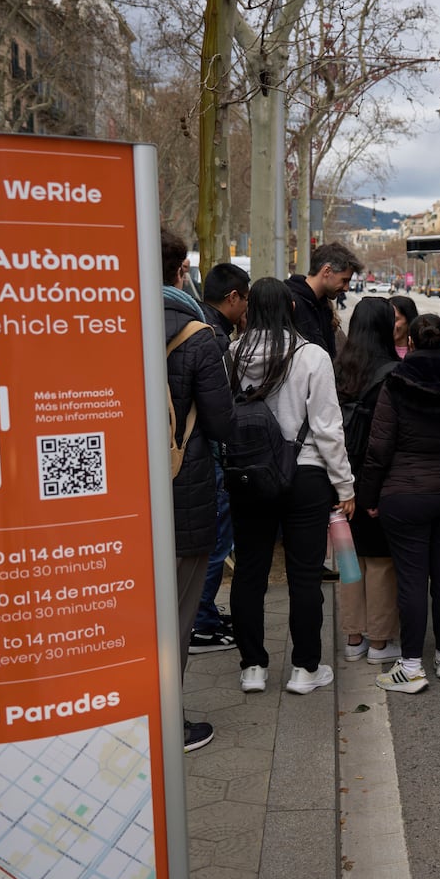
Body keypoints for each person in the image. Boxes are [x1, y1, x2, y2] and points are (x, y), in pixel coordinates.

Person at [228, 277, 355, 696]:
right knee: (304, 575)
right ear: (293, 309)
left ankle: (252, 668)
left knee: (250, 571)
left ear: (249, 310)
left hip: (250, 476)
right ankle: (305, 668)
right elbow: (328, 427)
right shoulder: (312, 356)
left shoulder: (232, 353)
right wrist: (345, 485)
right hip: (306, 475)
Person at [359, 314, 440, 694]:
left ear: (410, 342)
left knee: (412, 579)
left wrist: (368, 496)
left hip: (405, 492)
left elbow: (379, 447)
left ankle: (411, 665)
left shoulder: (396, 384)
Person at [161, 232, 235, 751]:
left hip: (115, 497)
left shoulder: (97, 320)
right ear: (181, 269)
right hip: (181, 490)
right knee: (178, 615)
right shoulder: (196, 334)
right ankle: (169, 723)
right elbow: (221, 422)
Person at [334, 297, 401, 666]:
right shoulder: (392, 373)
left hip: (340, 477)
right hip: (378, 477)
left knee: (348, 559)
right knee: (379, 562)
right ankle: (378, 643)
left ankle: (352, 637)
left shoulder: (339, 367)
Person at [189, 262, 250, 653]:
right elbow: (218, 412)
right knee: (216, 542)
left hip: (195, 454)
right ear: (232, 298)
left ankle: (204, 615)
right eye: (245, 301)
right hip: (209, 457)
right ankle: (202, 625)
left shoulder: (200, 326)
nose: (246, 310)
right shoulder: (214, 339)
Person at [285, 242, 362, 357]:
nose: (346, 288)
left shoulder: (323, 306)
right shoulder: (290, 303)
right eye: (344, 280)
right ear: (327, 271)